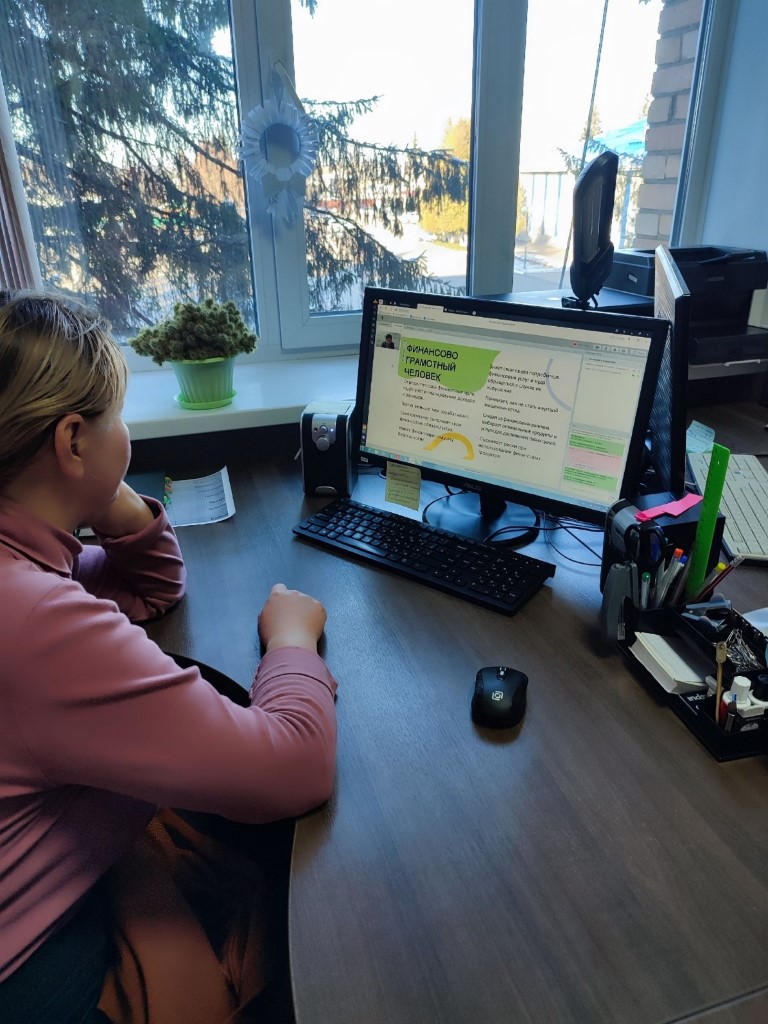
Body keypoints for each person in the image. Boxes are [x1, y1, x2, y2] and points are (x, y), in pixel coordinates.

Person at [0, 291, 338, 1023]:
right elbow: (297, 766)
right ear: (70, 440)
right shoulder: (34, 620)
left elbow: (146, 588)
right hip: (30, 973)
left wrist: (94, 488)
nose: (126, 433)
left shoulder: (20, 566)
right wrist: (291, 638)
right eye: (117, 418)